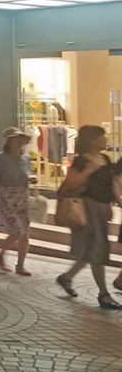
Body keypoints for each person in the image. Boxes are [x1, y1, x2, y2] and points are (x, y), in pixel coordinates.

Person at [55, 125, 122, 309]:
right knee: (97, 250)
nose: (105, 140)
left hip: (101, 208)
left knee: (91, 251)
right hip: (88, 208)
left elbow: (110, 185)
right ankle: (104, 294)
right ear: (92, 140)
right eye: (102, 137)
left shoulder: (105, 159)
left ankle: (66, 277)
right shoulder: (82, 161)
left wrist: (111, 204)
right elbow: (68, 186)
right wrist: (88, 172)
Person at [0, 127, 37, 276]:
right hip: (7, 196)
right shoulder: (1, 158)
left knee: (25, 232)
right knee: (17, 230)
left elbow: (26, 174)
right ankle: (1, 253)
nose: (19, 142)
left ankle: (20, 264)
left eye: (21, 139)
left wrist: (30, 179)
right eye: (16, 139)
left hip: (22, 196)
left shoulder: (26, 158)